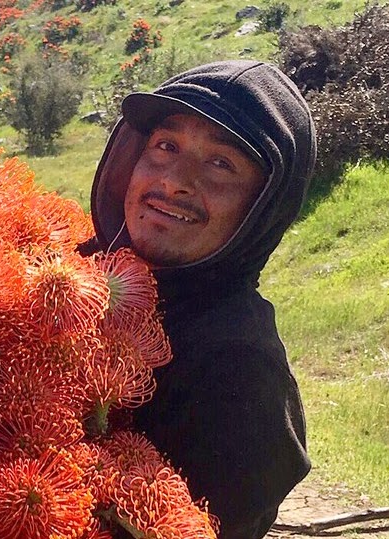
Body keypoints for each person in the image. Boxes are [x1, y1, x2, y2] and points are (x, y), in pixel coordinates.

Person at [86, 60, 316, 538]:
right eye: (165, 146)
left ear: (264, 206)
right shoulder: (72, 273)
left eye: (220, 163)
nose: (174, 181)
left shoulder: (240, 374)